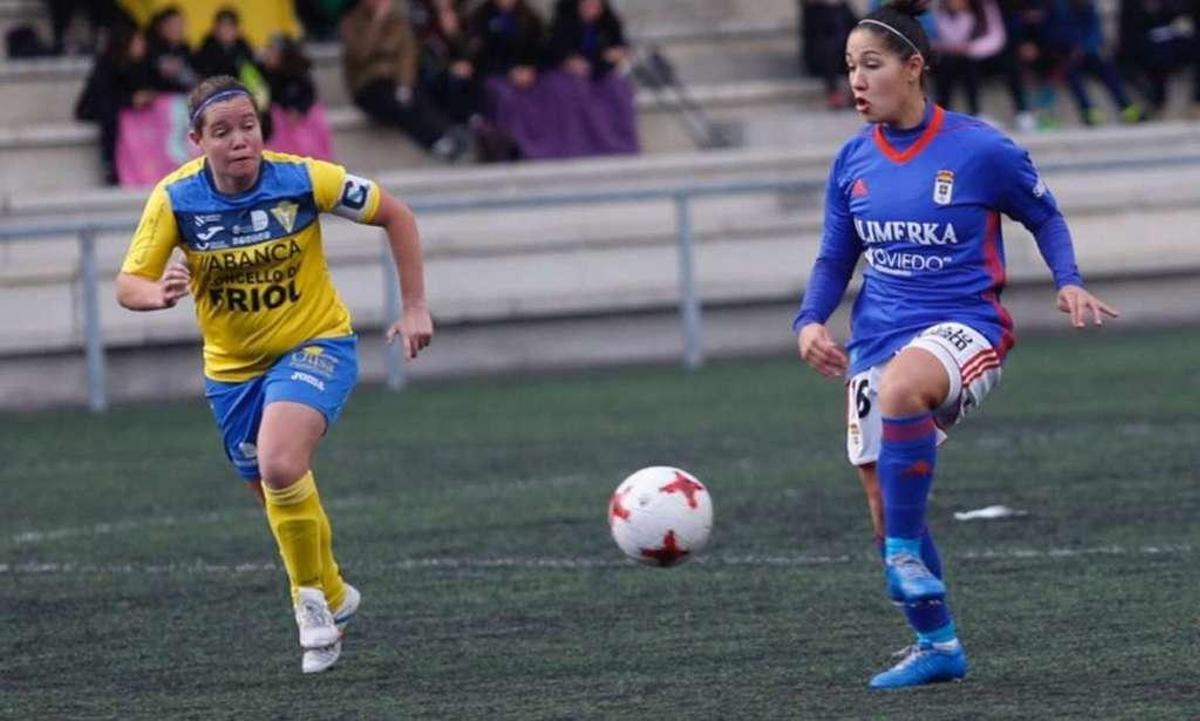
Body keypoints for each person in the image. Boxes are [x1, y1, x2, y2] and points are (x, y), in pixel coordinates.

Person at [793, 0, 1119, 689]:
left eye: (872, 65)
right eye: (851, 66)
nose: (857, 79)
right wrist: (810, 322)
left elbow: (1043, 213)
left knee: (902, 392)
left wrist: (1069, 280)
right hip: (876, 337)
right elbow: (833, 259)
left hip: (967, 326)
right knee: (883, 502)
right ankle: (938, 645)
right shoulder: (852, 161)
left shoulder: (980, 149)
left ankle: (906, 555)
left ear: (915, 67)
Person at [115, 75, 434, 674]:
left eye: (249, 126)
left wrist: (414, 304)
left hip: (316, 345)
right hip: (232, 371)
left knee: (281, 463)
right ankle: (336, 591)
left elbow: (397, 214)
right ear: (195, 141)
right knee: (272, 489)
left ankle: (308, 604)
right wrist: (156, 293)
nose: (240, 141)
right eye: (222, 132)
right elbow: (127, 284)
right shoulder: (175, 199)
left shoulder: (305, 178)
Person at [341, 0, 468, 162]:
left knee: (416, 97)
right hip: (368, 83)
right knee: (396, 103)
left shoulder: (398, 21)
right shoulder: (352, 22)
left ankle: (445, 134)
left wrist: (404, 84)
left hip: (395, 79)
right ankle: (437, 139)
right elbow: (360, 54)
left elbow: (406, 55)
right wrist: (376, 23)